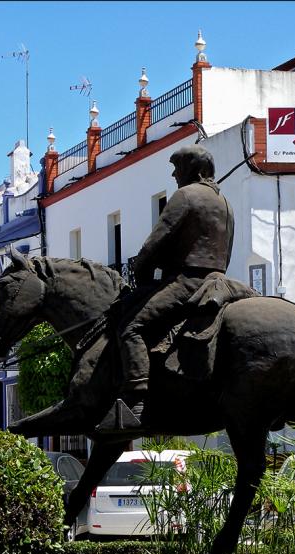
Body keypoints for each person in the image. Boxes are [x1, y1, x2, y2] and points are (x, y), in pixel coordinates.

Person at [98, 144, 235, 431]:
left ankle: (137, 402)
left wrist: (142, 272)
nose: (174, 174)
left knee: (131, 328)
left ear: (194, 170)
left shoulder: (185, 196)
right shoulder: (225, 203)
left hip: (187, 282)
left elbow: (156, 241)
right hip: (219, 281)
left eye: (178, 168)